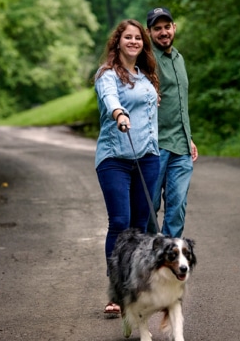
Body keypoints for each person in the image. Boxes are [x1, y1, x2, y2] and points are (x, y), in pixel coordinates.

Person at [94, 19, 160, 315]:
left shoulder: (146, 77)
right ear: (117, 42)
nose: (134, 41)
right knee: (120, 223)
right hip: (114, 158)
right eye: (128, 37)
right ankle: (117, 292)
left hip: (147, 157)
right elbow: (110, 98)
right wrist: (119, 113)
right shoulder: (107, 74)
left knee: (140, 226)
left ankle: (138, 289)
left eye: (138, 38)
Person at [146, 7, 198, 238]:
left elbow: (179, 103)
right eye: (157, 29)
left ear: (174, 28)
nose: (163, 32)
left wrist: (189, 138)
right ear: (149, 32)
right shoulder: (146, 60)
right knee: (149, 206)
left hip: (181, 147)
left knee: (176, 209)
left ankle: (168, 260)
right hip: (155, 146)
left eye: (167, 27)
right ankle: (148, 255)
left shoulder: (179, 59)